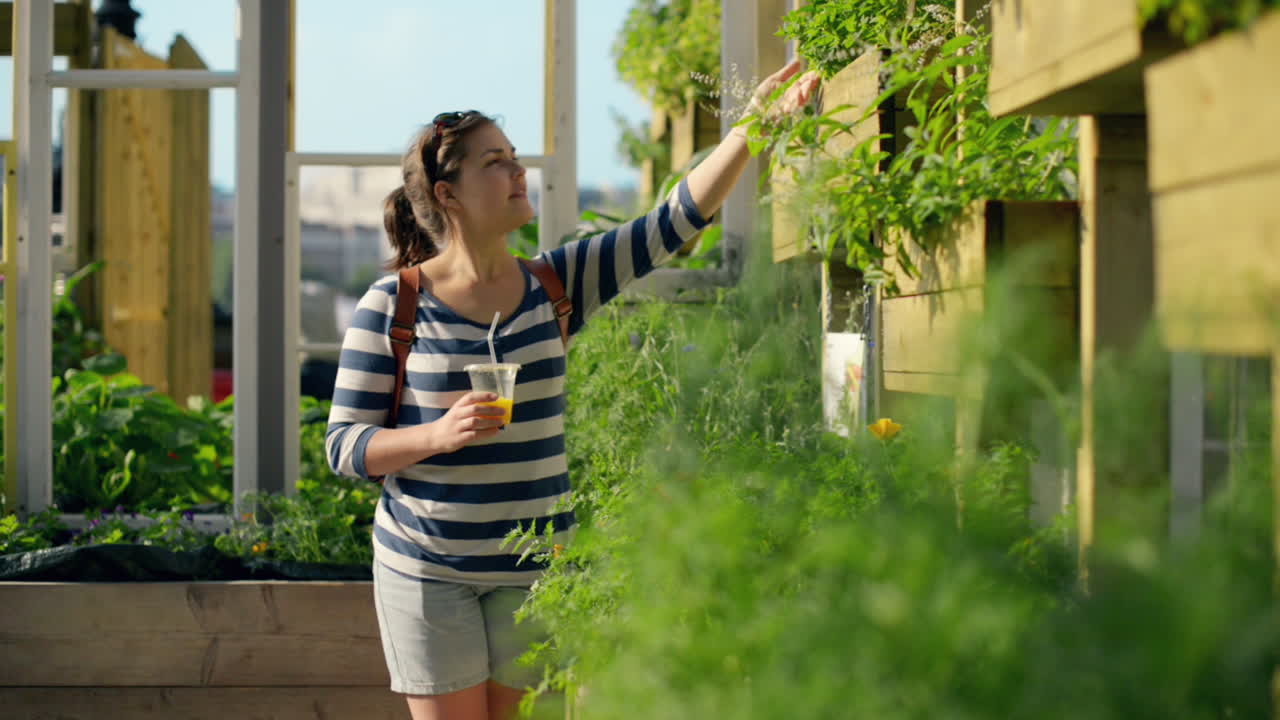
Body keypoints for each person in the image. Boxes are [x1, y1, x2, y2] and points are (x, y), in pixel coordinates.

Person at [326, 60, 820, 720]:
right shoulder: (394, 304)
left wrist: (749, 131)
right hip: (428, 568)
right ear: (448, 194)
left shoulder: (557, 284)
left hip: (536, 569)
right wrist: (436, 435)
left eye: (516, 158)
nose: (518, 173)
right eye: (496, 162)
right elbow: (344, 445)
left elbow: (670, 223)